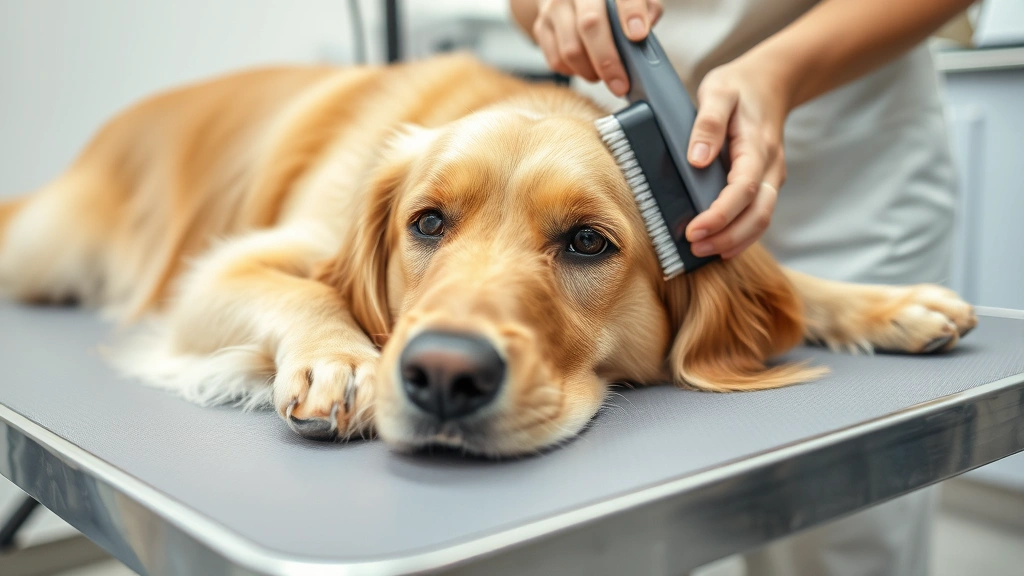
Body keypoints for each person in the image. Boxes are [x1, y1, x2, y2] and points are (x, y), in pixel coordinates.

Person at [511, 0, 974, 575]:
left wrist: (783, 70)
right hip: (627, 161)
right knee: (633, 525)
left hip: (848, 162)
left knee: (839, 535)